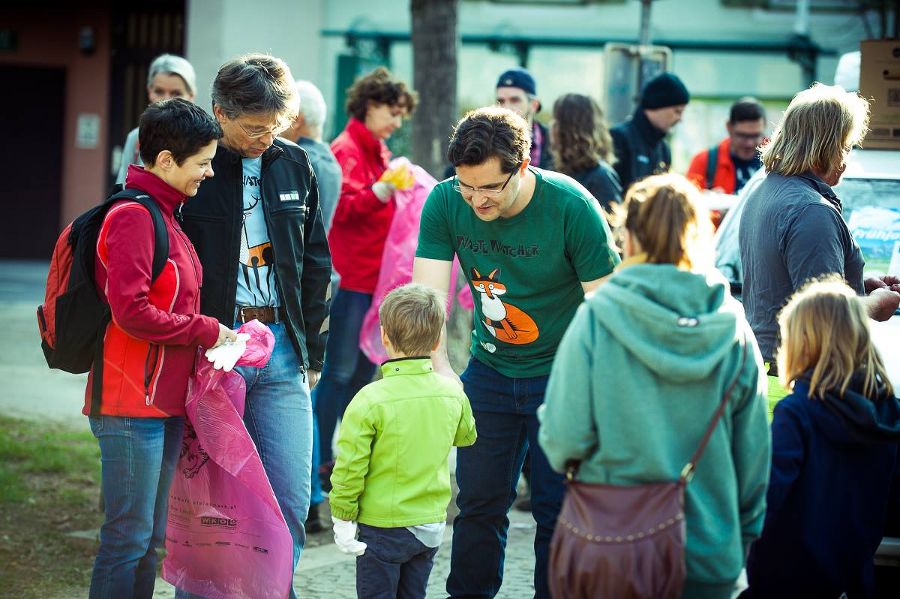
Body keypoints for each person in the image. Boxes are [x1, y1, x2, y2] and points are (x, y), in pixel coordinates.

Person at [413, 105, 620, 599]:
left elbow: (607, 311)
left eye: (490, 188)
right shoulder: (446, 202)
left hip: (563, 376)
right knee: (479, 504)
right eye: (468, 187)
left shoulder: (571, 205)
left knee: (557, 509)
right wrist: (440, 369)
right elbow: (427, 298)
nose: (477, 201)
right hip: (489, 371)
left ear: (521, 167)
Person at [539, 173, 771, 599]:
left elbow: (562, 438)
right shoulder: (734, 330)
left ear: (627, 236)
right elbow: (754, 457)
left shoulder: (595, 319)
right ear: (699, 235)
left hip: (614, 546)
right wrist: (739, 539)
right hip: (707, 552)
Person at [178, 54, 331, 599]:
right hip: (214, 352)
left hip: (284, 352)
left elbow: (316, 262)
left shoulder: (296, 164)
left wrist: (313, 353)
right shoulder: (196, 166)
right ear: (219, 112)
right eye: (254, 127)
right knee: (212, 504)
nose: (267, 136)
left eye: (277, 124)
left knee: (289, 496)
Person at [88, 98, 235, 598]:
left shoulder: (168, 214)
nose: (210, 172)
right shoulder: (134, 217)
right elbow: (130, 311)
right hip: (130, 405)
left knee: (149, 540)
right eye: (203, 162)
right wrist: (205, 330)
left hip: (162, 404)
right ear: (167, 160)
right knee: (126, 539)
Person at [739, 82, 900, 415]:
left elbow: (790, 283)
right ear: (827, 147)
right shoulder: (812, 210)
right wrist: (874, 305)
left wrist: (857, 284)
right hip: (802, 387)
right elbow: (825, 317)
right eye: (846, 145)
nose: (846, 158)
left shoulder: (765, 192)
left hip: (772, 377)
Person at [745, 278, 900, 598]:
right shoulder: (891, 413)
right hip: (853, 578)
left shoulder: (797, 414)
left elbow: (766, 501)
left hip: (784, 582)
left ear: (803, 344)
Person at [328, 283, 477, 599]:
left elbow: (349, 468)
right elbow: (467, 436)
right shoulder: (452, 394)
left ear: (384, 337)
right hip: (431, 524)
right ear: (438, 340)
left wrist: (342, 517)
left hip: (382, 526)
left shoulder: (369, 400)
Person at [314, 67, 417, 486]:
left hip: (373, 282)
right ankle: (320, 461)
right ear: (370, 105)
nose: (395, 122)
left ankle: (344, 458)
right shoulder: (347, 149)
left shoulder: (375, 148)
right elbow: (343, 209)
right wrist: (383, 191)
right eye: (392, 112)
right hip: (353, 280)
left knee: (359, 375)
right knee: (339, 374)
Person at [280, 79, 343, 533]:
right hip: (323, 287)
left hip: (304, 292)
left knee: (304, 396)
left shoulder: (302, 163)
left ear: (296, 118)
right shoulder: (333, 162)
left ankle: (311, 499)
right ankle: (313, 498)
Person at [116, 54, 197, 185]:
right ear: (149, 92)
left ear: (191, 96)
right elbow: (122, 189)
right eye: (159, 91)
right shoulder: (137, 138)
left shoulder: (203, 141)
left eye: (176, 93)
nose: (166, 100)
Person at [610, 72, 690, 191]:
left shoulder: (663, 148)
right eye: (677, 111)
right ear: (657, 105)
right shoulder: (619, 138)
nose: (680, 119)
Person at [281, 79, 341, 233]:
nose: (277, 126)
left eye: (282, 116)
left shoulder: (297, 161)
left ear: (297, 119)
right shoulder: (332, 164)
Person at [550, 93, 622, 213]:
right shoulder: (556, 171)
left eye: (556, 121)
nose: (552, 127)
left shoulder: (601, 177)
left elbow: (610, 227)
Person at [686, 97, 766, 195]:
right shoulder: (703, 162)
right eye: (742, 135)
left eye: (755, 136)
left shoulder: (778, 161)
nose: (749, 143)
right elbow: (685, 206)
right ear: (729, 127)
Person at [495, 67, 553, 169]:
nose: (506, 108)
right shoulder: (486, 141)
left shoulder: (555, 142)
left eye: (514, 100)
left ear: (534, 105)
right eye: (501, 101)